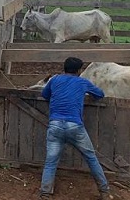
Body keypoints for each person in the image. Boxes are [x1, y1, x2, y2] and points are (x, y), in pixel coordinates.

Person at [39, 57, 111, 200]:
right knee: (91, 157)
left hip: (55, 125)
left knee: (51, 161)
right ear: (78, 71)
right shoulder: (82, 82)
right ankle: (104, 191)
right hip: (74, 126)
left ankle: (45, 193)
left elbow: (44, 94)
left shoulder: (54, 80)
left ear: (64, 68)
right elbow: (100, 94)